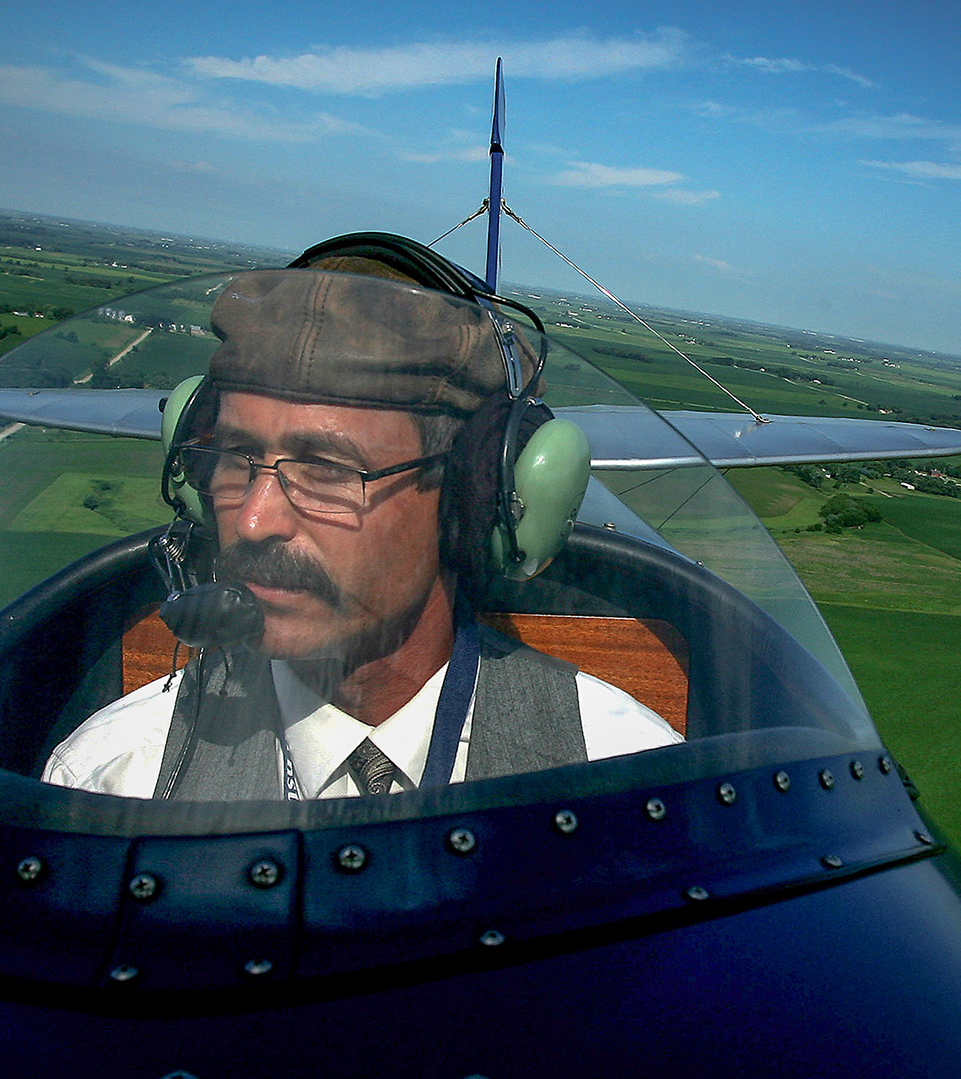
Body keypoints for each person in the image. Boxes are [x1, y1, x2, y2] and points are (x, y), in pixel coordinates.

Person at [44, 245, 681, 802]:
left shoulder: (629, 788)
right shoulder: (114, 782)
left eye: (326, 468)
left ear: (468, 502)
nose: (254, 519)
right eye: (237, 457)